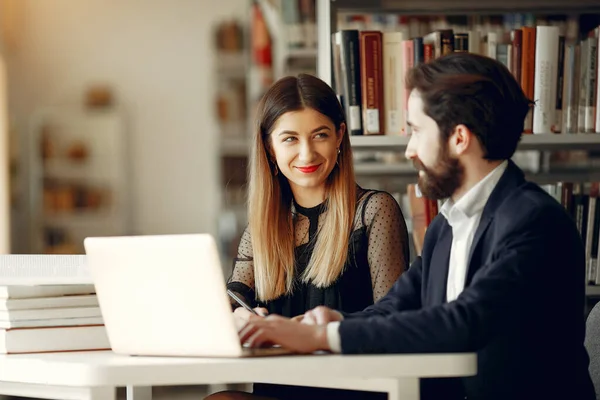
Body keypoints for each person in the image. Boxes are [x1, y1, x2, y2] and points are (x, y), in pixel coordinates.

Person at [237, 52, 596, 400]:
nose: (409, 150)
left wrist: (326, 337)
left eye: (416, 131)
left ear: (458, 138)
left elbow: (463, 322)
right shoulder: (447, 226)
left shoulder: (532, 221)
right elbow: (394, 307)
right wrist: (323, 323)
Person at [212, 73, 410, 400]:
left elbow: (393, 321)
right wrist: (240, 316)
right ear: (269, 148)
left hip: (355, 391)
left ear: (339, 138)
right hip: (281, 392)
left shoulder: (374, 211)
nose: (307, 154)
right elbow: (234, 297)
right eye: (290, 138)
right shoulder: (262, 228)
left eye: (320, 135)